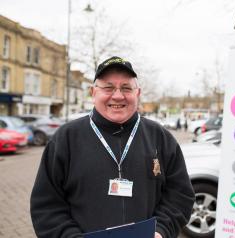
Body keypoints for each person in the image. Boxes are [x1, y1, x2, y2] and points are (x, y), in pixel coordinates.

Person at [30, 56, 195, 238]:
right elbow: (46, 206)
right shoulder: (66, 139)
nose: (118, 95)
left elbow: (180, 195)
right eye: (108, 87)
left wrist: (161, 230)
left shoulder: (161, 137)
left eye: (126, 88)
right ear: (93, 93)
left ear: (137, 94)